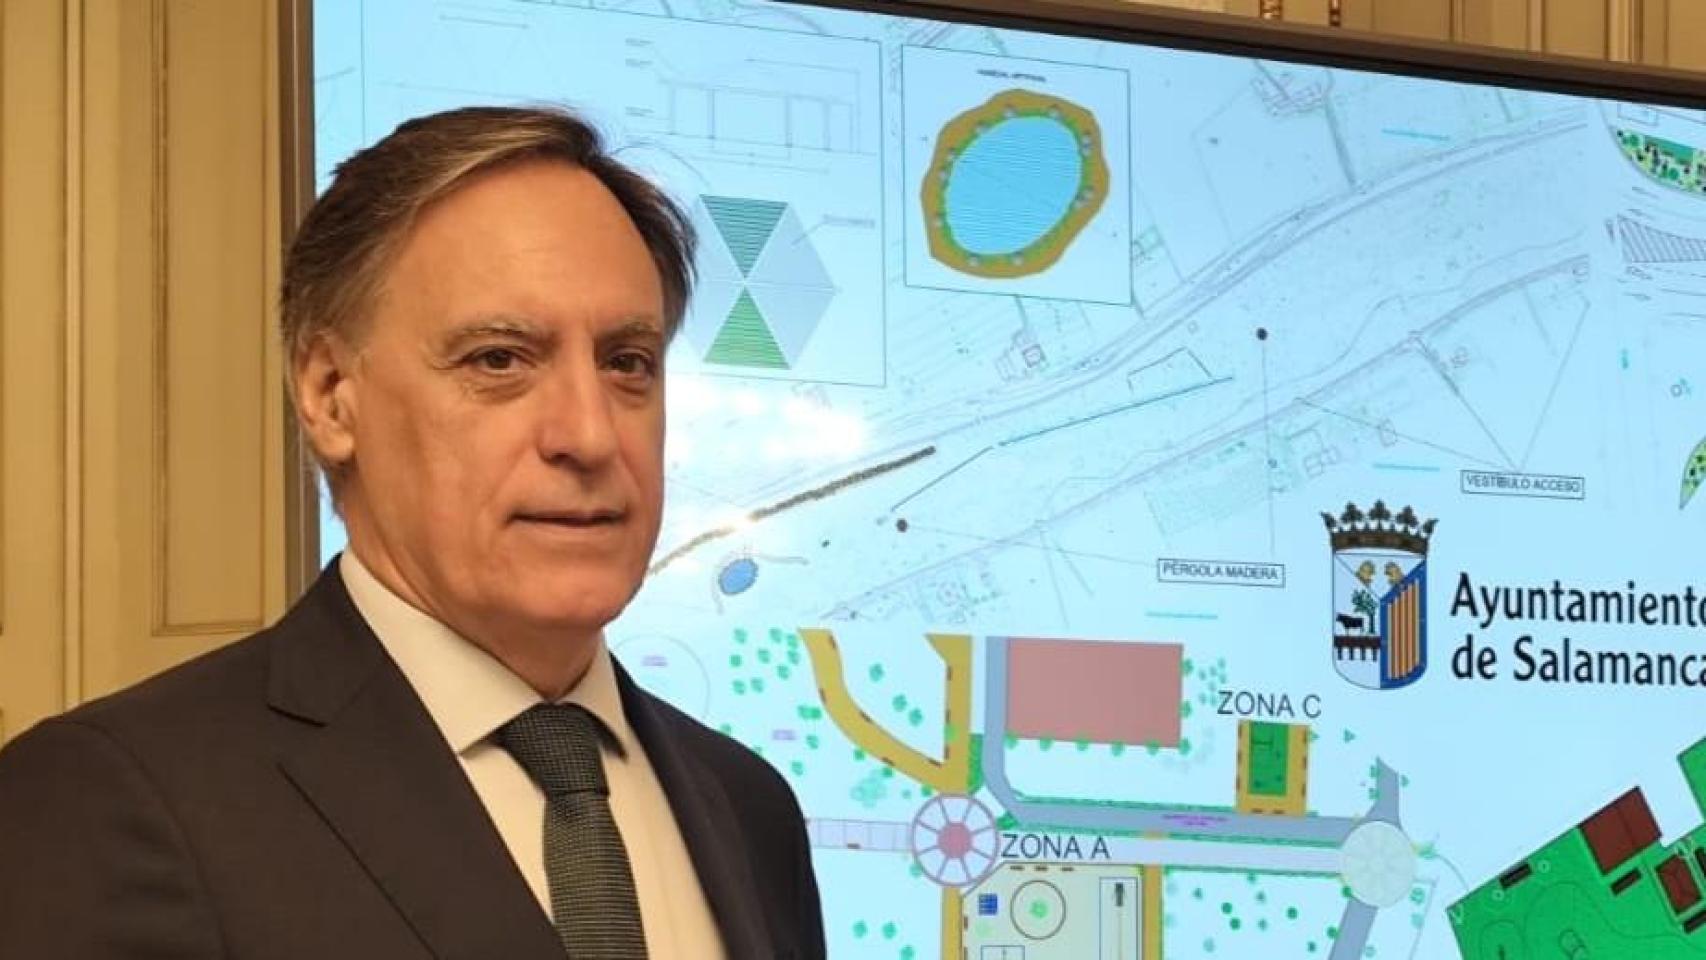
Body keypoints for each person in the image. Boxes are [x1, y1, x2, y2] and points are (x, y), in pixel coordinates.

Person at [0, 105, 826, 959]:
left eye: (627, 363)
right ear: (330, 396)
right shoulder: (115, 801)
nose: (589, 434)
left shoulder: (749, 809)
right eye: (499, 360)